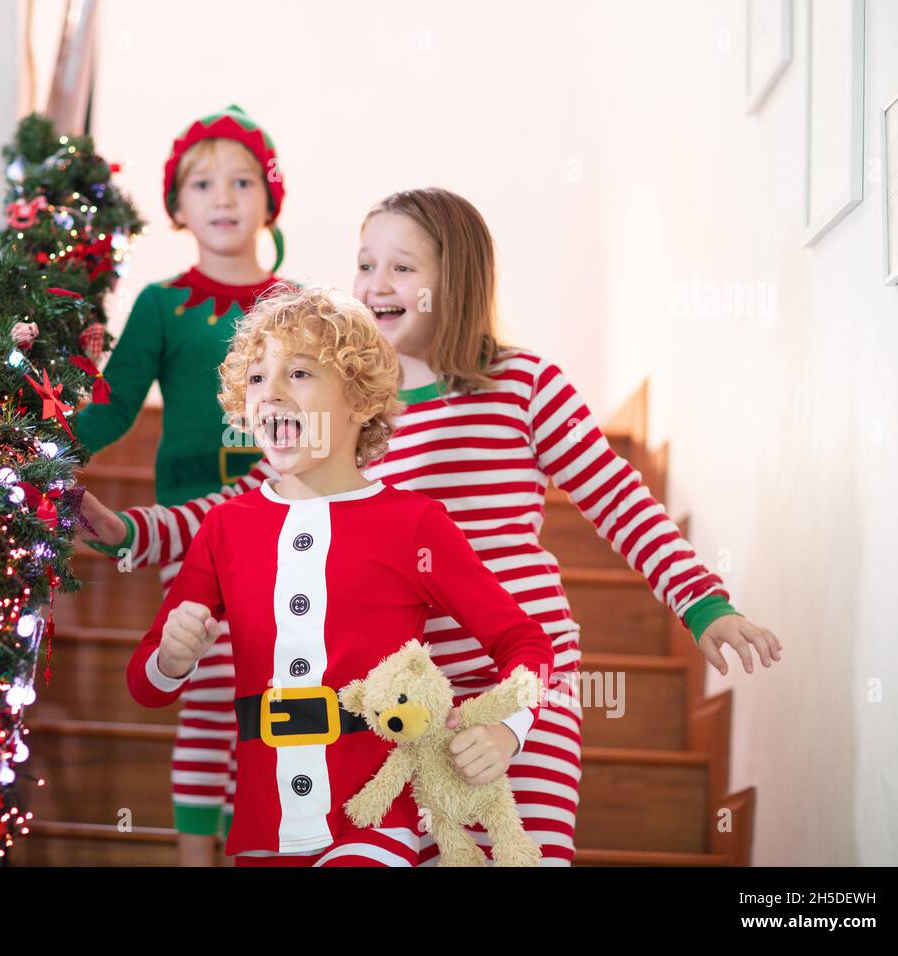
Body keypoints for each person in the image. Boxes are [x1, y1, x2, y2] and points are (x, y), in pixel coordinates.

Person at [92, 188, 783, 865]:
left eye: (401, 266)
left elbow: (621, 502)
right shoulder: (347, 408)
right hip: (407, 695)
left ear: (455, 279)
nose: (375, 282)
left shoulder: (522, 384)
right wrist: (129, 534)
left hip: (519, 679)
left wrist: (702, 601)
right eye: (365, 264)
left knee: (522, 850)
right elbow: (241, 508)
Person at [125, 284, 555, 866]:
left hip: (373, 823)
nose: (270, 394)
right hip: (261, 827)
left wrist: (508, 727)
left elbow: (523, 641)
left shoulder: (414, 525)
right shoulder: (225, 528)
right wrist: (171, 659)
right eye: (256, 378)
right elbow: (145, 686)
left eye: (298, 374)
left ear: (358, 401)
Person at [74, 104, 291, 865]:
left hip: (287, 523)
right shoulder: (162, 305)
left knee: (266, 699)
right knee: (206, 696)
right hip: (192, 530)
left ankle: (258, 847)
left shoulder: (301, 308)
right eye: (203, 184)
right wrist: (46, 445)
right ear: (176, 206)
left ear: (271, 198)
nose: (224, 197)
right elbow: (116, 403)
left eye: (241, 181)